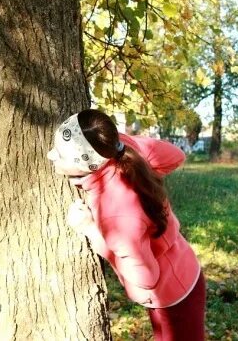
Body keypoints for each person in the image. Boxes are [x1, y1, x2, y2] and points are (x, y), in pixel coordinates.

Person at [47, 109, 205, 341]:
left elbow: (145, 279)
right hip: (182, 275)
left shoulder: (117, 211)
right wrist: (121, 145)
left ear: (88, 165)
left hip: (174, 297)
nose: (51, 155)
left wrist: (89, 229)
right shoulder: (124, 157)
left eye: (61, 155)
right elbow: (174, 156)